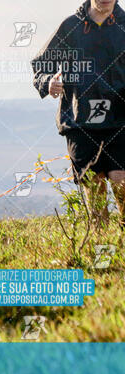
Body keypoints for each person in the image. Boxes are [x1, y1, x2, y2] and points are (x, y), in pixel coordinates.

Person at [31, 0, 125, 226]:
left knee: (121, 182)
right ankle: (100, 251)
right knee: (96, 189)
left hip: (121, 119)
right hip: (80, 121)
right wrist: (48, 82)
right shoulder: (70, 27)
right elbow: (41, 65)